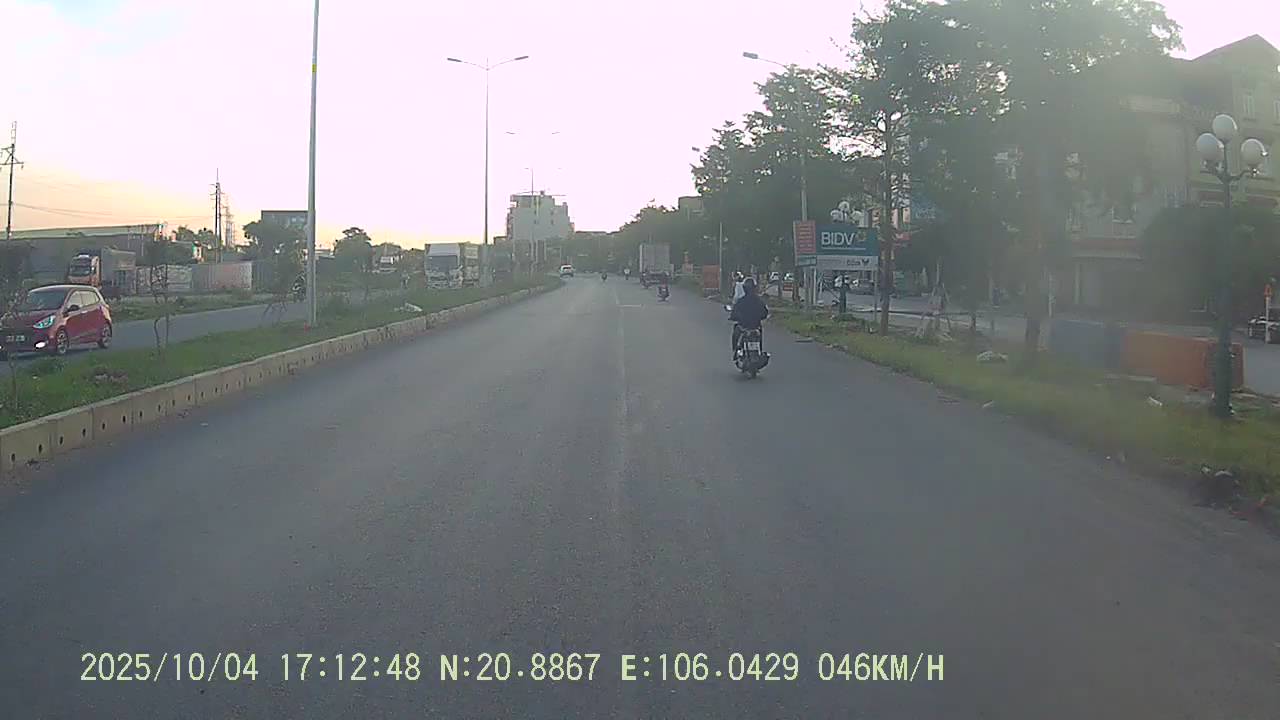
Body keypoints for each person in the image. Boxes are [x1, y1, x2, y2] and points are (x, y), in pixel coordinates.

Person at [729, 276, 769, 359]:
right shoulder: (759, 301)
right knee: (759, 333)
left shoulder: (741, 301)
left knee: (736, 331)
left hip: (743, 326)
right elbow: (765, 313)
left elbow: (734, 313)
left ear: (744, 289)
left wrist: (733, 317)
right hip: (756, 326)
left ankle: (736, 351)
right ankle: (759, 351)